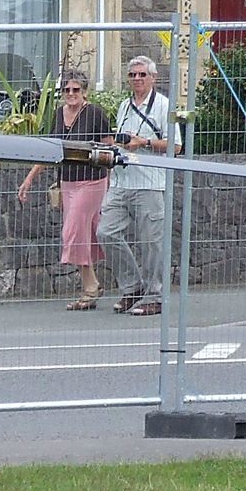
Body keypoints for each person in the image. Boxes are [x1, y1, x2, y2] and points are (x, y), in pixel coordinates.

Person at [17, 67, 112, 310]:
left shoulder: (95, 114)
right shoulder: (59, 114)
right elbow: (51, 149)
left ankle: (90, 287)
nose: (70, 93)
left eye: (75, 90)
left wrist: (110, 183)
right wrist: (29, 179)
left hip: (92, 180)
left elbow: (108, 149)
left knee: (73, 231)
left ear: (84, 91)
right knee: (85, 233)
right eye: (66, 89)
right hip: (67, 181)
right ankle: (92, 285)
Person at [95, 55, 179, 316]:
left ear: (153, 77)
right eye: (133, 75)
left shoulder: (165, 106)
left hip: (150, 182)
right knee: (105, 232)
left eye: (142, 74)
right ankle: (133, 287)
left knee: (152, 242)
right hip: (121, 180)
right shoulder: (124, 106)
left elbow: (175, 146)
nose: (137, 79)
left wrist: (143, 143)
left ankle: (155, 295)